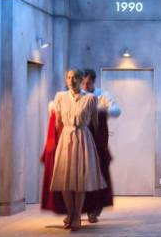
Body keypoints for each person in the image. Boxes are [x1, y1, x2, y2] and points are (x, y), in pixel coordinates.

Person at [50, 69, 107, 230]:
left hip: (83, 138)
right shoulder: (60, 97)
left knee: (80, 180)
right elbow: (58, 123)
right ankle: (70, 213)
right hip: (66, 138)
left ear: (81, 80)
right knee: (65, 179)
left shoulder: (90, 98)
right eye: (69, 77)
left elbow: (95, 123)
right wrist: (59, 141)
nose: (71, 80)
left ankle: (77, 217)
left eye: (75, 77)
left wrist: (94, 142)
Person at [81, 68, 120, 223]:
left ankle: (94, 210)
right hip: (81, 140)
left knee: (98, 174)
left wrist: (100, 110)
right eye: (83, 83)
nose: (85, 86)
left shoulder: (102, 95)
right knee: (79, 176)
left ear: (93, 81)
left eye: (88, 83)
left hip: (98, 141)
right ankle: (76, 209)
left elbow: (116, 111)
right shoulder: (77, 95)